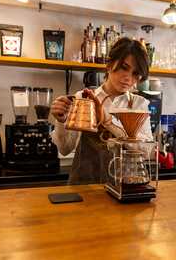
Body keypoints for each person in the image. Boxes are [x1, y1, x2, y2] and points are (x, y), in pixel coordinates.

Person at [50, 37, 153, 185]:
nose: (128, 78)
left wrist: (107, 121)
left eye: (135, 73)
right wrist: (61, 120)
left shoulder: (138, 105)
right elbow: (65, 149)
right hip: (84, 187)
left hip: (124, 187)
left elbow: (146, 153)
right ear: (110, 64)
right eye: (124, 67)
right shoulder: (83, 98)